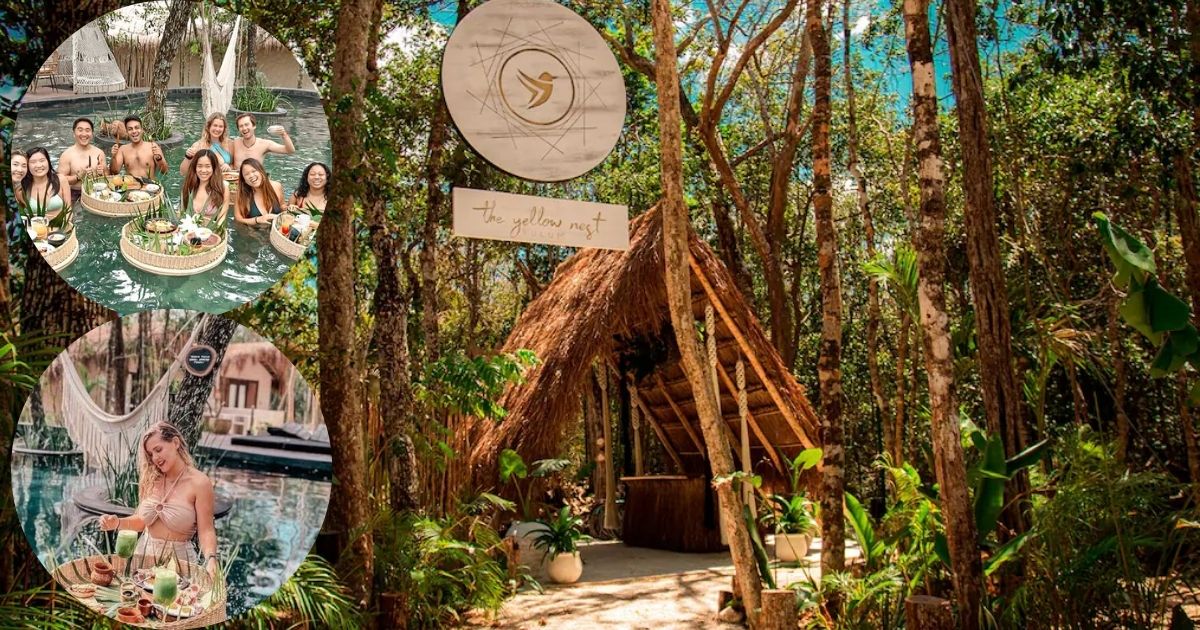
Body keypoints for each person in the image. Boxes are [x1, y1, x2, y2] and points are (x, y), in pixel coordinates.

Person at [98, 422, 219, 581]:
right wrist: (116, 523)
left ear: (175, 443)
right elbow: (142, 522)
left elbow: (206, 530)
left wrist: (211, 559)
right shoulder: (150, 479)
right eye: (150, 454)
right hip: (143, 559)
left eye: (158, 450)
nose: (155, 458)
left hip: (179, 565)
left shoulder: (200, 483)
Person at [16, 147, 71, 220]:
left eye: (42, 160)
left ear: (48, 161)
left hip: (60, 228)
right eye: (33, 162)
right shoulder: (21, 190)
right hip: (35, 230)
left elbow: (68, 210)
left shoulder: (60, 180)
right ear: (27, 166)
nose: (39, 165)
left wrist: (65, 227)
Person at [58, 118, 107, 197]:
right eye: (80, 130)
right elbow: (59, 181)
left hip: (97, 192)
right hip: (75, 193)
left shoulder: (99, 153)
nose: (84, 134)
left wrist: (101, 174)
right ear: (74, 133)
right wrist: (78, 177)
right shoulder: (66, 155)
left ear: (92, 134)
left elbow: (108, 175)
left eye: (87, 130)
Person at [180, 149, 228, 226]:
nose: (203, 170)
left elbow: (222, 217)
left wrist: (214, 232)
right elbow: (182, 213)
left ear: (214, 167)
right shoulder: (188, 185)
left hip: (213, 231)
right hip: (189, 231)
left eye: (208, 166)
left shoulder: (223, 187)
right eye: (199, 166)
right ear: (195, 167)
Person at [230, 113, 294, 169]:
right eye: (241, 126)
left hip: (255, 180)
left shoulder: (264, 144)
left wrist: (284, 135)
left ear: (254, 126)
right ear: (238, 129)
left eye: (246, 125)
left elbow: (289, 150)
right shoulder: (235, 143)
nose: (244, 128)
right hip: (236, 179)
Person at [234, 158, 284, 227]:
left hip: (277, 231)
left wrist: (290, 208)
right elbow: (238, 219)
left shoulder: (276, 186)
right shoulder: (242, 194)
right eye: (246, 174)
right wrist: (257, 220)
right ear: (244, 180)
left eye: (254, 171)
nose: (251, 176)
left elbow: (282, 206)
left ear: (261, 171)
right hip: (254, 233)